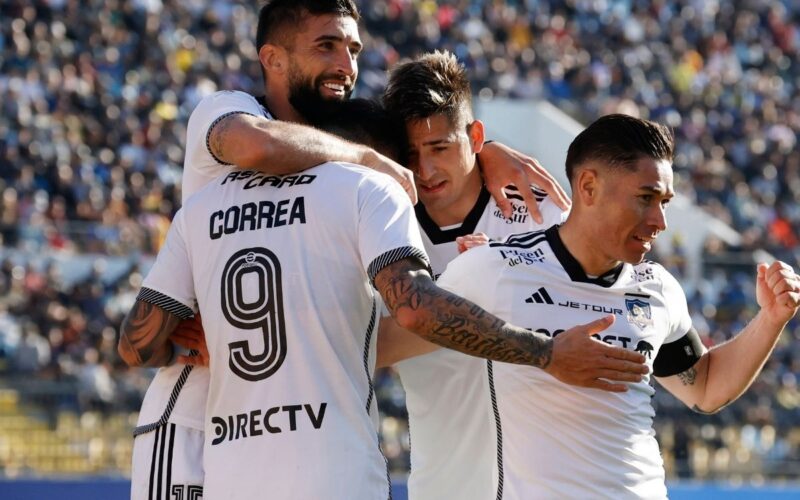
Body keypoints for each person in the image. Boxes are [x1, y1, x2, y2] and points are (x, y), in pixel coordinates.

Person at [125, 1, 569, 497]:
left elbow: (362, 332)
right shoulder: (232, 112)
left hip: (300, 448)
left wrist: (481, 154)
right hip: (195, 423)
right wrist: (367, 161)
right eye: (327, 46)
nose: (346, 64)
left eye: (354, 48)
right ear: (271, 58)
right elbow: (258, 145)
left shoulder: (351, 184)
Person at [432, 114, 800, 499]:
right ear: (588, 187)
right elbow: (403, 328)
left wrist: (771, 318)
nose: (660, 221)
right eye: (646, 198)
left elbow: (704, 386)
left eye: (665, 202)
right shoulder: (493, 268)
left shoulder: (657, 287)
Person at [376, 50, 643, 500]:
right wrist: (473, 288)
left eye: (440, 148)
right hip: (445, 486)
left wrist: (502, 279)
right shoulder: (383, 225)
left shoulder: (540, 210)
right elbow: (367, 345)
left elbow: (593, 317)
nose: (425, 170)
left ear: (476, 136)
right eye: (410, 153)